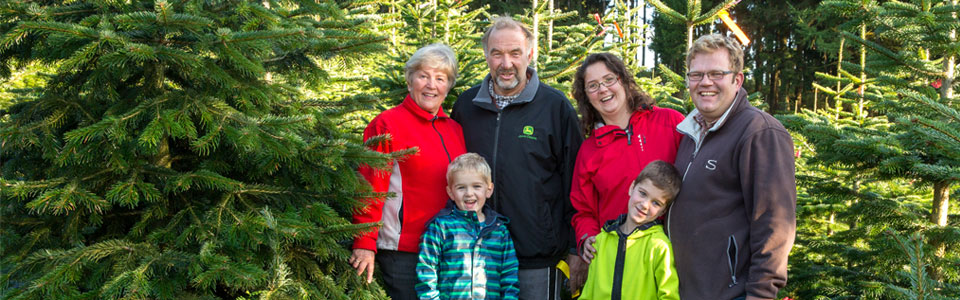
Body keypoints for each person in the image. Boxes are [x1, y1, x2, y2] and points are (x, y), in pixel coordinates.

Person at [450, 16, 584, 300]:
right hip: (475, 256)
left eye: (514, 53)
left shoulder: (555, 107)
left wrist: (574, 248)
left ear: (529, 55)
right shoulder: (466, 107)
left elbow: (575, 181)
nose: (506, 63)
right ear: (486, 55)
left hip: (537, 258)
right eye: (497, 53)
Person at [666, 34, 796, 300]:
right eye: (696, 75)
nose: (705, 83)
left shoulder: (759, 132)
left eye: (716, 73)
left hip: (732, 294)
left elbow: (775, 223)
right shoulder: (691, 134)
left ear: (737, 80)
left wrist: (760, 294)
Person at [349, 43, 467, 300]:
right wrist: (364, 242)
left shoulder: (455, 130)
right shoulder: (387, 124)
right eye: (423, 75)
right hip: (404, 254)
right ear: (410, 78)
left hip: (448, 252)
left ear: (448, 86)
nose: (431, 85)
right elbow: (369, 187)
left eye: (440, 78)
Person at [567, 53, 684, 289]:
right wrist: (587, 237)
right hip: (621, 263)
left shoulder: (669, 122)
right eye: (593, 86)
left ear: (622, 80)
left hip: (675, 255)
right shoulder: (589, 151)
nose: (603, 89)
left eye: (609, 79)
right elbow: (583, 210)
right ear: (586, 97)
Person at [416, 153, 520, 300]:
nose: (469, 193)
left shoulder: (499, 230)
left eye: (476, 186)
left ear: (489, 190)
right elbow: (426, 272)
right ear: (450, 192)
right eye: (461, 188)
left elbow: (509, 276)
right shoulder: (440, 227)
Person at [579, 160, 681, 300]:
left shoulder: (659, 247)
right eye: (643, 193)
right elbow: (587, 294)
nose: (645, 205)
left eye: (656, 203)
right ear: (632, 188)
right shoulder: (601, 241)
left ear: (663, 210)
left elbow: (669, 296)